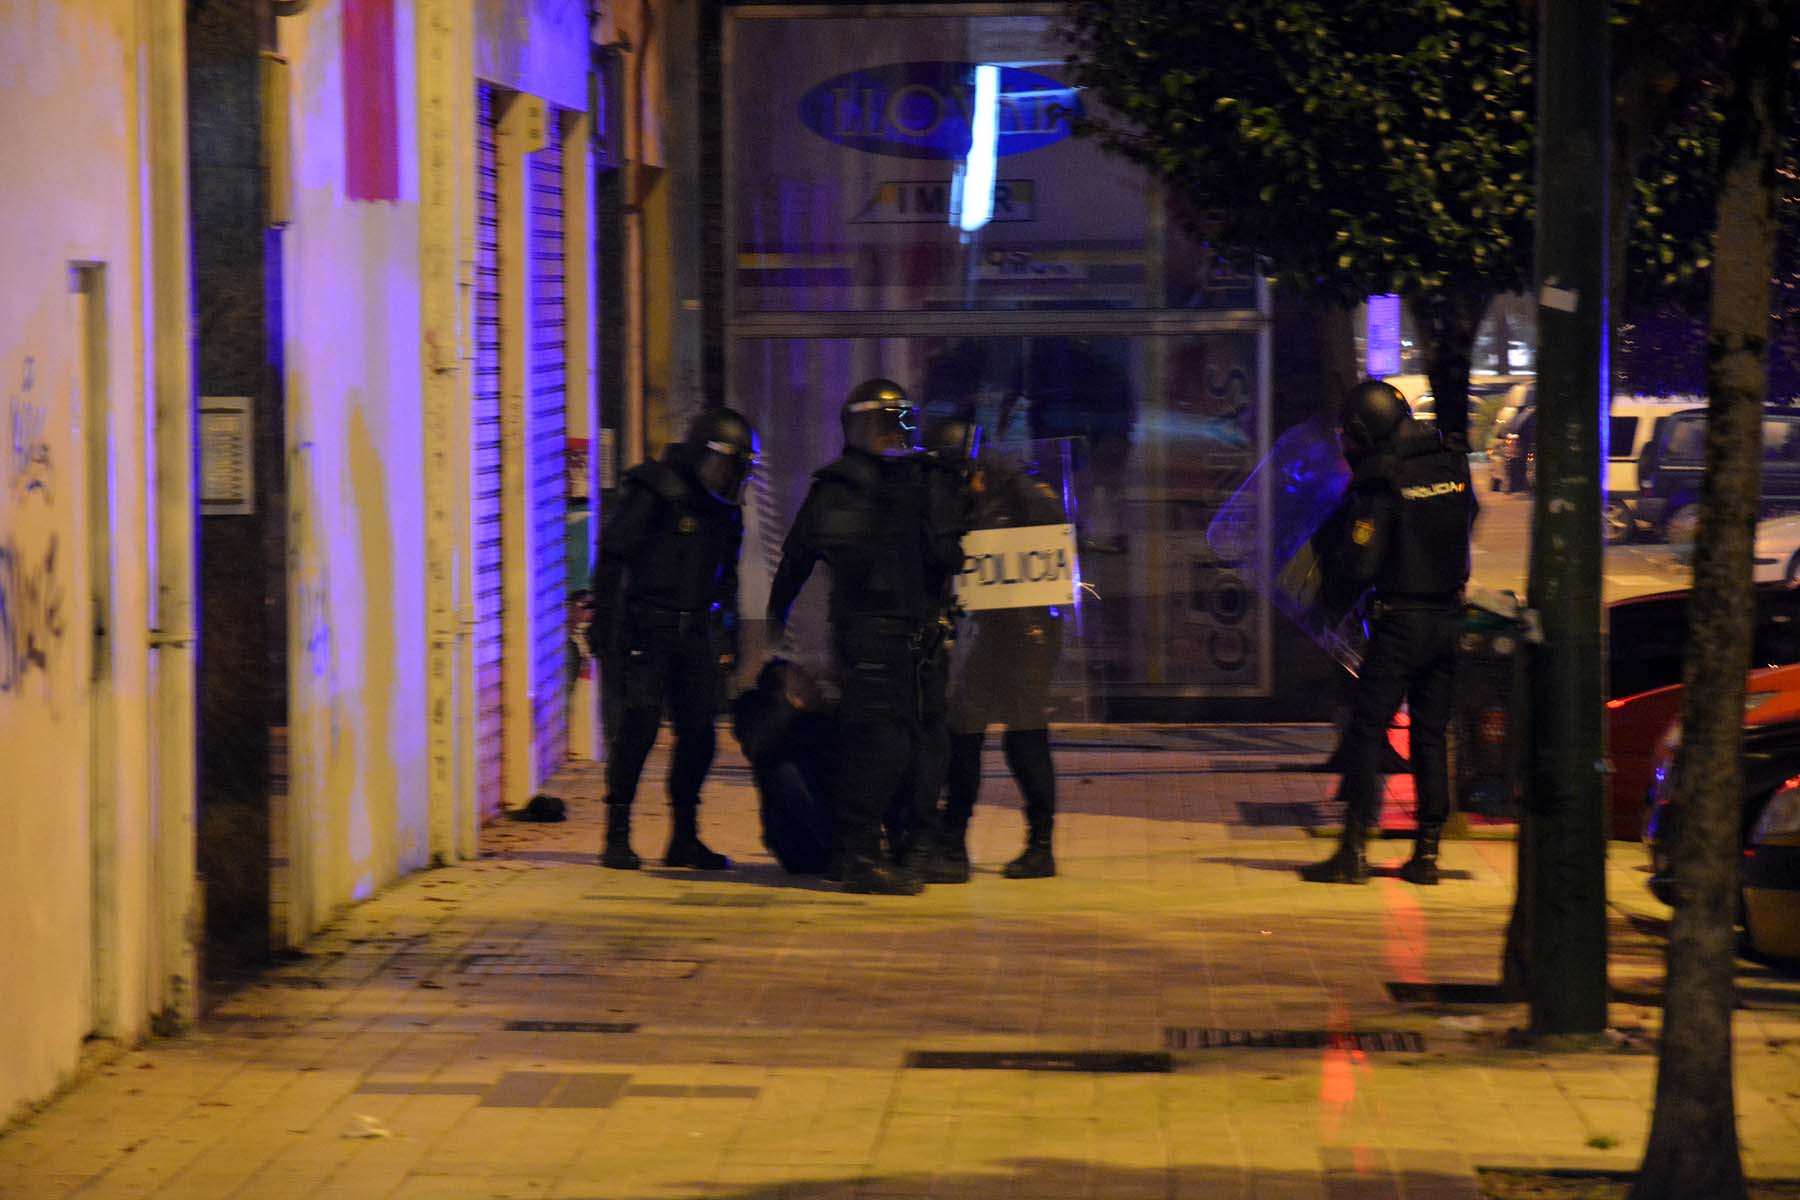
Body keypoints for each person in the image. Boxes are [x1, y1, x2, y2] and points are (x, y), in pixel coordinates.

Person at [766, 378, 967, 895]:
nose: (894, 432)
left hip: (915, 635)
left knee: (923, 744)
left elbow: (948, 558)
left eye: (899, 420)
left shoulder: (917, 480)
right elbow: (808, 557)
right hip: (875, 635)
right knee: (879, 745)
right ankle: (858, 853)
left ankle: (911, 844)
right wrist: (776, 625)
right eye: (886, 422)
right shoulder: (848, 485)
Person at [1301, 380, 1477, 886]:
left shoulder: (1383, 479)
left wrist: (1326, 599)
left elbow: (1362, 560)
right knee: (1428, 734)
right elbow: (1467, 521)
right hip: (1448, 617)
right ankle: (1426, 854)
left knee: (1366, 729)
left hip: (1400, 621)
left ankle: (1353, 850)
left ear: (1366, 429)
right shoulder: (1451, 463)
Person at [589, 408, 758, 871]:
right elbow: (613, 556)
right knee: (638, 729)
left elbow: (727, 578)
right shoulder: (655, 490)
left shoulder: (724, 511)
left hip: (696, 631)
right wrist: (605, 621)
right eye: (721, 467)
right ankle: (617, 834)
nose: (725, 479)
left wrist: (729, 635)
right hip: (647, 627)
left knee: (699, 734)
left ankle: (684, 836)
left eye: (734, 472)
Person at [924, 421, 1065, 881]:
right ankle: (953, 842)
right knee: (963, 735)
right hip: (983, 631)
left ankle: (1039, 846)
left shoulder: (1017, 492)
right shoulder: (959, 497)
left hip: (1024, 634)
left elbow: (1052, 538)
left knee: (1024, 735)